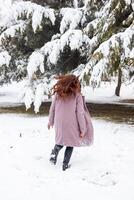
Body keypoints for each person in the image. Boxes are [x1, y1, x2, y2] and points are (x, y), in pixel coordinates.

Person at [47, 74, 94, 171]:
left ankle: (54, 154)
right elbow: (80, 113)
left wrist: (51, 121)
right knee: (70, 143)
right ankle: (65, 164)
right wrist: (83, 129)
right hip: (71, 123)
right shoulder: (77, 96)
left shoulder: (58, 94)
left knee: (60, 140)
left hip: (59, 122)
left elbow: (52, 109)